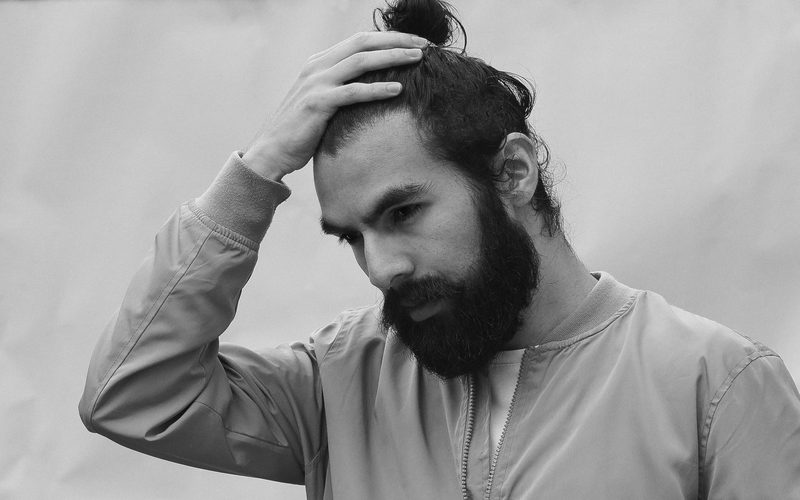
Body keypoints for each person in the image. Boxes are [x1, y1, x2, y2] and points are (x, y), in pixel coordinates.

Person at [79, 0, 800, 498]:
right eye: (352, 237)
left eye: (403, 212)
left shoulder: (715, 385)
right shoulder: (340, 382)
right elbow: (132, 393)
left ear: (512, 172)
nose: (382, 268)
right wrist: (256, 172)